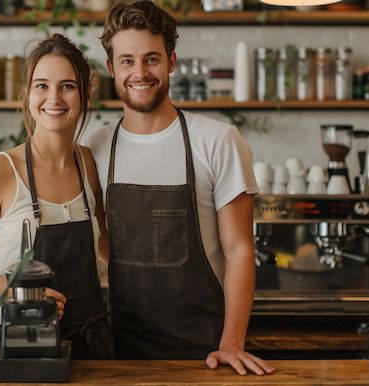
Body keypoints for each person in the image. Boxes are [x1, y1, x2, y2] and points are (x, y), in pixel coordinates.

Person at [81, 0, 275, 375]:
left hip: (208, 353)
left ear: (171, 62)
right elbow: (105, 244)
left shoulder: (217, 140)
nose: (140, 72)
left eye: (151, 59)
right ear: (111, 68)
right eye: (127, 61)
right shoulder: (95, 149)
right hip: (121, 352)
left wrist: (231, 342)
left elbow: (239, 249)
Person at [0, 34, 113, 359]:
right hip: (21, 348)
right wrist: (22, 293)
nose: (54, 97)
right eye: (42, 85)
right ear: (27, 94)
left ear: (85, 93)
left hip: (92, 348)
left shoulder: (90, 165)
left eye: (67, 85)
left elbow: (108, 252)